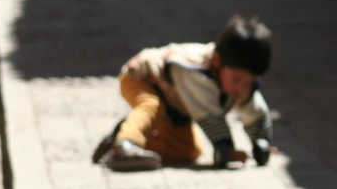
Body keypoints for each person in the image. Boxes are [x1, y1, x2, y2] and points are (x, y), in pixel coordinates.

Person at [93, 14, 274, 171]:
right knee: (152, 105)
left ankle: (120, 139)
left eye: (247, 82)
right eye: (236, 80)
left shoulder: (238, 83)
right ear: (217, 62)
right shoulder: (196, 71)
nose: (240, 88)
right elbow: (209, 116)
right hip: (142, 77)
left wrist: (261, 142)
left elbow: (255, 111)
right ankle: (125, 145)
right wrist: (225, 149)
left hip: (175, 104)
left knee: (189, 150)